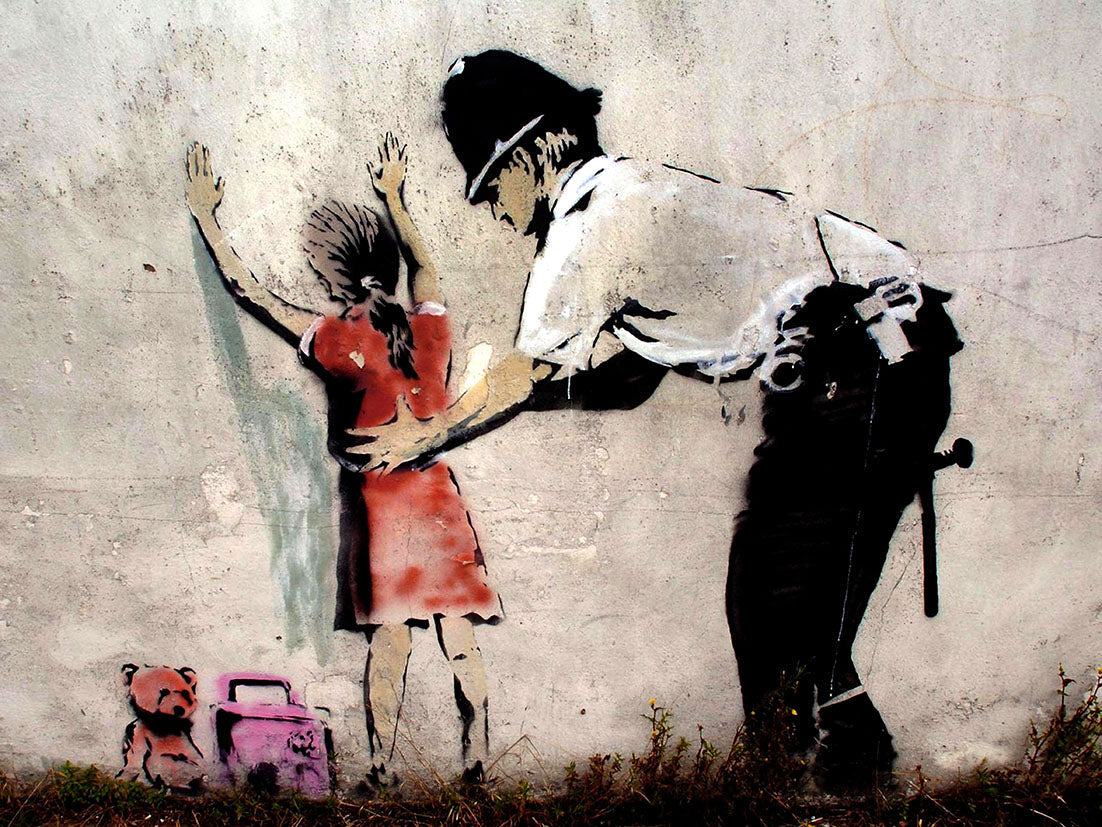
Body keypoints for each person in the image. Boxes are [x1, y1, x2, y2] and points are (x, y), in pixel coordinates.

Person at [342, 51, 964, 790]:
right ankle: (844, 768)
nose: (488, 206)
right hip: (877, 359)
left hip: (861, 357)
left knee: (775, 592)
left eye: (491, 180)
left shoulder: (591, 223)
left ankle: (793, 780)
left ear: (538, 151)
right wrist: (533, 397)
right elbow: (629, 380)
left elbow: (521, 373)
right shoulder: (634, 201)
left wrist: (426, 435)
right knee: (785, 601)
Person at [185, 136, 502, 785]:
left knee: (391, 642)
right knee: (459, 635)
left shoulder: (337, 341)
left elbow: (250, 292)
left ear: (334, 280)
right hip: (439, 498)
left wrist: (208, 218)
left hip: (383, 508)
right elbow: (426, 264)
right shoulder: (427, 330)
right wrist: (395, 197)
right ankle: (477, 757)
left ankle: (382, 764)